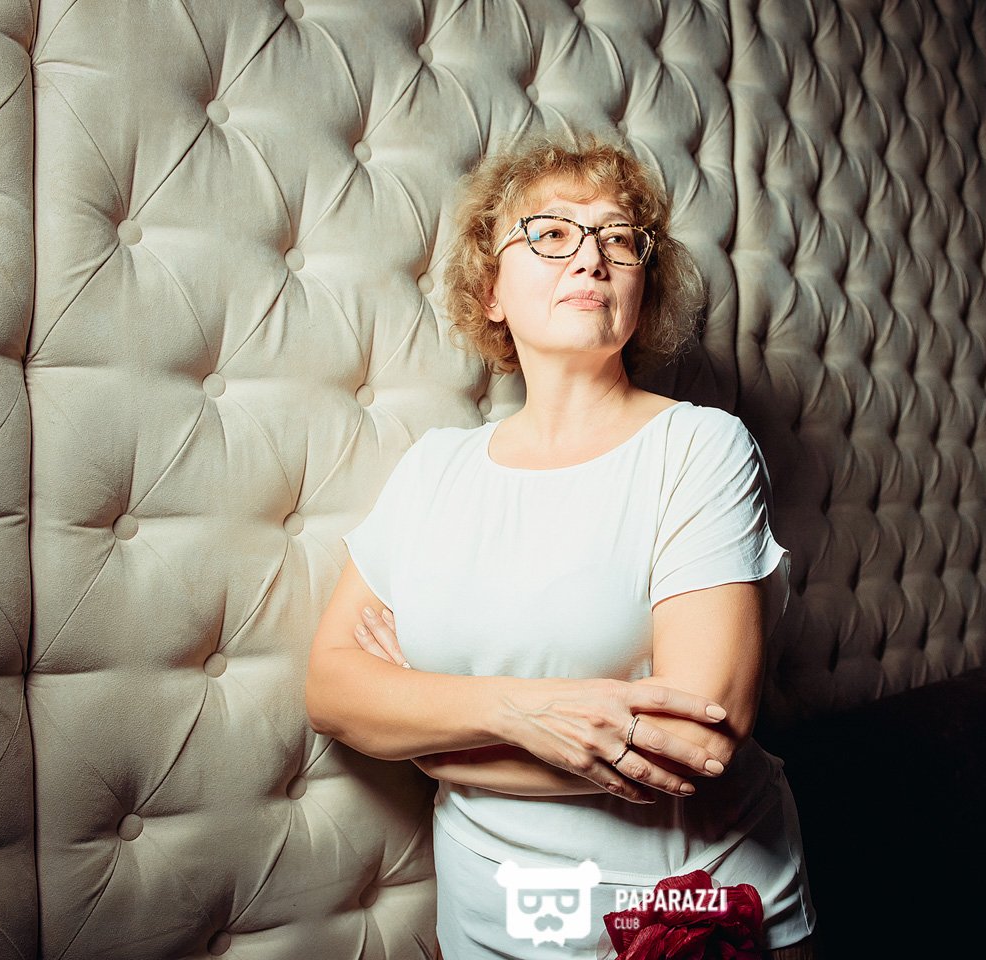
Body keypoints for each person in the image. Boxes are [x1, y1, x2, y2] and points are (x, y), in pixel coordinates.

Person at [306, 130, 817, 959]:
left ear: (642, 286)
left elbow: (697, 743)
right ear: (491, 289)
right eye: (550, 233)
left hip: (687, 905)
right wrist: (517, 711)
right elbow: (332, 687)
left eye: (618, 238)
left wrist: (434, 747)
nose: (590, 258)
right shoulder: (435, 467)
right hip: (489, 912)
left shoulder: (701, 447)